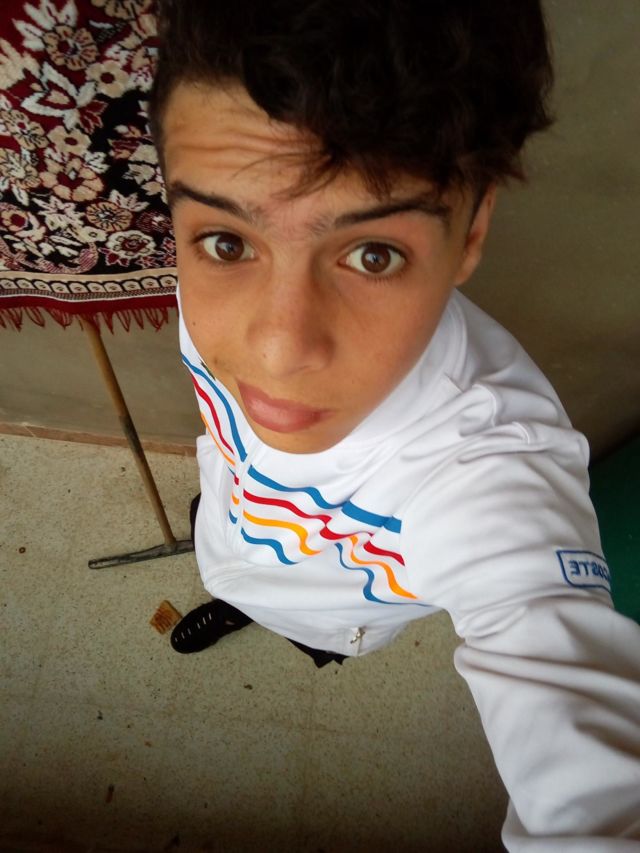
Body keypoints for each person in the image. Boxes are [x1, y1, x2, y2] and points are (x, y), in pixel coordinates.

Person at [149, 1, 640, 847]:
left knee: (310, 632)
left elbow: (592, 786)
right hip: (232, 523)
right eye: (228, 241)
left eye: (372, 254)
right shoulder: (212, 294)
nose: (278, 349)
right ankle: (233, 597)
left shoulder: (494, 469)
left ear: (471, 232)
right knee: (229, 561)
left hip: (339, 613)